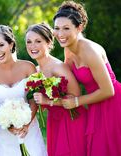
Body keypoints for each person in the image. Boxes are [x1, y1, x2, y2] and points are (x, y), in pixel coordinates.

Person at [53, 1, 121, 156]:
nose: (60, 34)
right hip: (94, 104)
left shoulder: (89, 51)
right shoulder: (68, 49)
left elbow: (108, 90)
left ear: (79, 27)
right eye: (56, 28)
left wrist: (76, 102)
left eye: (66, 28)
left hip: (113, 104)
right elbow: (64, 75)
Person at [0, 25, 47, 156]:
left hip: (29, 130)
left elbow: (33, 100)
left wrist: (26, 124)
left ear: (11, 44)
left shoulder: (28, 67)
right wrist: (9, 125)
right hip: (3, 135)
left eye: (1, 45)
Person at [25, 23, 87, 156]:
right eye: (29, 42)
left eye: (38, 41)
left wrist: (48, 101)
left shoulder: (58, 67)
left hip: (71, 121)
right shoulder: (36, 71)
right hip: (54, 122)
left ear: (48, 42)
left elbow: (76, 96)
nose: (32, 46)